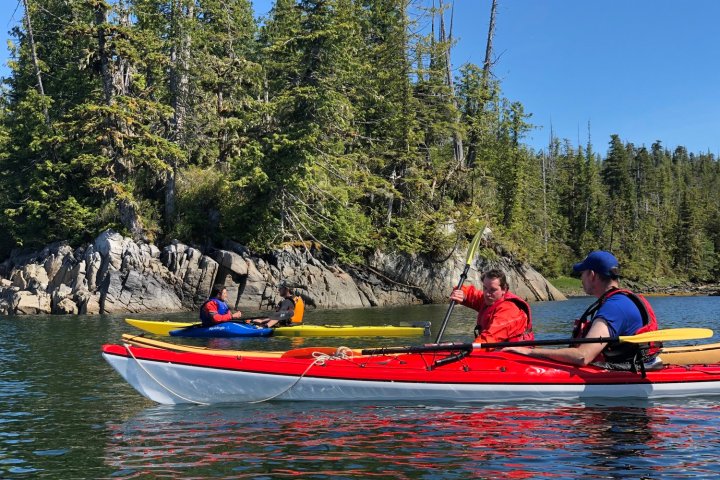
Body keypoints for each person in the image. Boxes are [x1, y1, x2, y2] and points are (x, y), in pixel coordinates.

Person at [504, 250, 659, 368]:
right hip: (631, 364)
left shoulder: (614, 307)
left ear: (592, 275)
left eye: (582, 274)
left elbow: (583, 356)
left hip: (621, 377)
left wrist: (530, 352)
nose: (581, 279)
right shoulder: (622, 300)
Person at [449, 269, 534, 343]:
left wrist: (466, 350)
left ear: (504, 289)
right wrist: (461, 294)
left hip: (513, 355)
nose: (487, 293)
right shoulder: (489, 299)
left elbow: (489, 339)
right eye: (485, 288)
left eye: (493, 290)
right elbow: (469, 292)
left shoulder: (509, 310)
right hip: (495, 349)